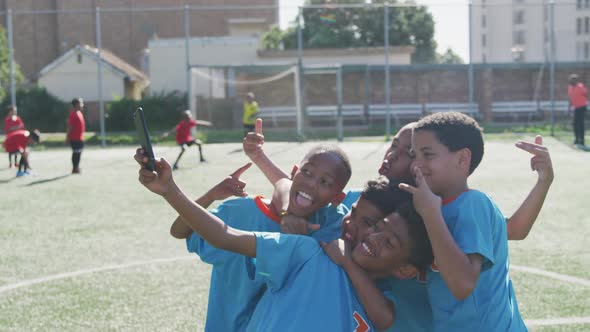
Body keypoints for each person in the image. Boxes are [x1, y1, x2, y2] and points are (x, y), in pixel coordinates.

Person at [244, 117, 553, 331]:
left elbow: (508, 232)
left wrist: (543, 182)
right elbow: (311, 190)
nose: (405, 158)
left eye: (414, 153)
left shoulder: (448, 206)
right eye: (408, 151)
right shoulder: (389, 203)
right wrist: (284, 204)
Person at [136, 155, 433, 331]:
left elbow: (384, 317)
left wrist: (346, 262)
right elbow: (224, 234)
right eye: (374, 227)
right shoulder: (309, 250)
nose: (367, 234)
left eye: (383, 234)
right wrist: (170, 190)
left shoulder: (380, 298)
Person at [151, 144, 352, 331]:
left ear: (337, 198)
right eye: (307, 172)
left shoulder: (334, 227)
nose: (311, 184)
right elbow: (179, 231)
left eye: (325, 182)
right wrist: (210, 195)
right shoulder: (239, 213)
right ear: (294, 173)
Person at [399, 111, 527, 331]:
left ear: (462, 159)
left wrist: (431, 215)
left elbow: (462, 285)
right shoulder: (428, 205)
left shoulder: (473, 204)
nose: (416, 165)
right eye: (414, 154)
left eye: (427, 155)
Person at [66, 98, 85, 174]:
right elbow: (70, 127)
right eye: (81, 103)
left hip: (79, 137)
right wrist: (67, 137)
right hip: (74, 138)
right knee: (76, 153)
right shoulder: (73, 114)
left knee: (78, 152)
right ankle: (75, 168)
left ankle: (76, 167)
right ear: (76, 105)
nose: (82, 104)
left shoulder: (79, 113)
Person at [568, 73, 587, 147]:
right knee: (575, 124)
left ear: (576, 81)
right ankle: (576, 140)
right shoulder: (570, 87)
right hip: (576, 108)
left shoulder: (580, 87)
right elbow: (570, 98)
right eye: (571, 79)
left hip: (582, 107)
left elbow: (586, 95)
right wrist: (569, 108)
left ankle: (582, 141)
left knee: (581, 124)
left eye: (574, 80)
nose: (572, 81)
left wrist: (585, 102)